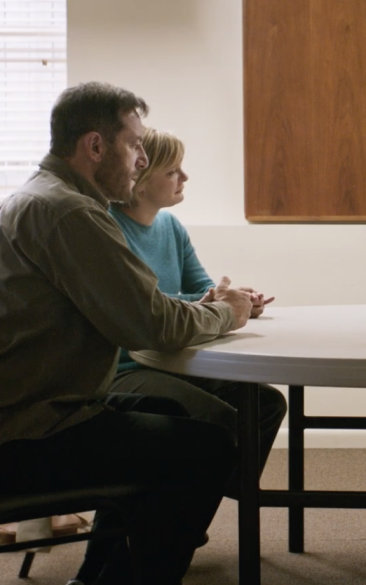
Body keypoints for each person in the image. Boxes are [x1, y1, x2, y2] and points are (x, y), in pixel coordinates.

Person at [0, 82, 252, 585]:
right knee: (208, 448)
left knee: (170, 415)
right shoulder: (70, 212)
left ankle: (96, 576)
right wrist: (228, 314)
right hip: (21, 435)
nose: (140, 159)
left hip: (11, 417)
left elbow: (140, 312)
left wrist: (199, 310)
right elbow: (153, 326)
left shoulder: (41, 197)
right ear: (95, 146)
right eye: (134, 145)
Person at [107, 127, 286, 482]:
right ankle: (189, 500)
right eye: (172, 171)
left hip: (175, 357)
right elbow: (148, 305)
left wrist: (241, 301)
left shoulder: (171, 226)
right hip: (127, 367)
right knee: (218, 419)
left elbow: (203, 288)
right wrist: (217, 303)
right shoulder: (109, 229)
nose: (184, 177)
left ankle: (214, 490)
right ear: (140, 181)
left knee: (267, 405)